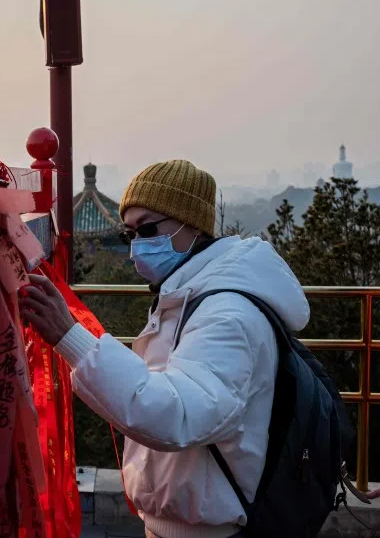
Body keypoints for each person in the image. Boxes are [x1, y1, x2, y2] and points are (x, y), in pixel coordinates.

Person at [20, 159, 309, 538]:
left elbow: (174, 413)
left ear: (192, 225)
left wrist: (71, 338)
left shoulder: (228, 315)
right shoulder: (185, 299)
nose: (137, 246)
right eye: (130, 234)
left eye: (149, 228)